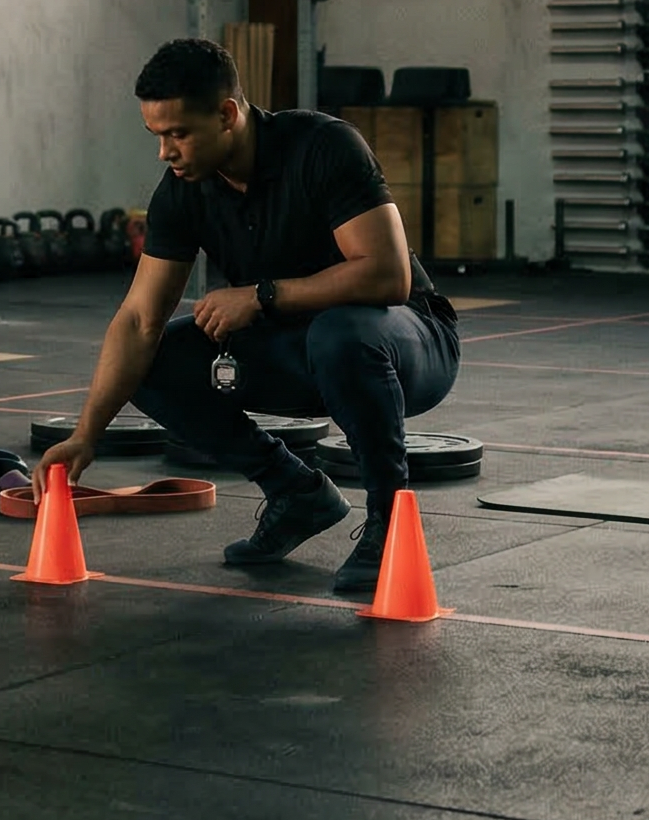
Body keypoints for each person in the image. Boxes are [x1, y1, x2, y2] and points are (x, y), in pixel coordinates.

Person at [33, 37, 462, 596]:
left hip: (406, 340)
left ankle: (388, 519)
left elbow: (386, 276)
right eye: (157, 136)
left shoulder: (325, 146)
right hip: (296, 348)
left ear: (227, 114)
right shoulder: (183, 192)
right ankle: (296, 491)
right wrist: (86, 434)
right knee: (156, 361)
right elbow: (138, 319)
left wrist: (260, 296)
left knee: (342, 331)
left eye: (178, 134)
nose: (165, 152)